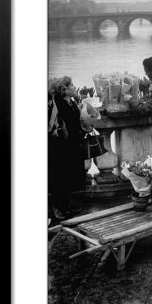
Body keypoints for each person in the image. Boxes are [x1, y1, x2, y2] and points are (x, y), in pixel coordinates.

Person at [48, 76, 86, 220]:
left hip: (72, 144)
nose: (75, 87)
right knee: (60, 178)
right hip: (61, 147)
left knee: (68, 177)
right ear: (64, 89)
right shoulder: (57, 103)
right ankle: (58, 208)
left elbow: (75, 120)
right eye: (72, 85)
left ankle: (65, 206)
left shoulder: (71, 101)